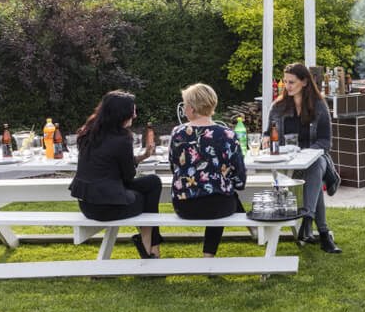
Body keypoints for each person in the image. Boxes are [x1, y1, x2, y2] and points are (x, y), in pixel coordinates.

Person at [69, 90, 162, 259]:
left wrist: (143, 156)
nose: (135, 115)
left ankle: (150, 245)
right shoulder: (122, 139)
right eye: (132, 111)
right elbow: (128, 176)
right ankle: (149, 245)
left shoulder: (88, 132)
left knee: (152, 182)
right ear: (121, 114)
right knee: (150, 192)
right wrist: (139, 159)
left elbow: (109, 167)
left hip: (87, 205)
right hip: (108, 208)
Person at [267, 63, 341, 254]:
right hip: (288, 162)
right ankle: (322, 232)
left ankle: (307, 220)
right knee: (313, 180)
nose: (287, 86)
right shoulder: (278, 107)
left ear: (305, 82)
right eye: (285, 82)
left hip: (317, 158)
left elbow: (326, 141)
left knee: (315, 165)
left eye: (291, 82)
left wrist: (306, 153)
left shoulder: (319, 106)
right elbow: (269, 134)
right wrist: (267, 139)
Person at [169, 83, 246, 257]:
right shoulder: (228, 135)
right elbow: (239, 177)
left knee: (219, 193)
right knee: (222, 194)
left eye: (185, 104)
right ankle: (208, 255)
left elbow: (173, 166)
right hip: (218, 206)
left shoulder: (177, 133)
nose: (184, 108)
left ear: (192, 108)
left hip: (184, 205)